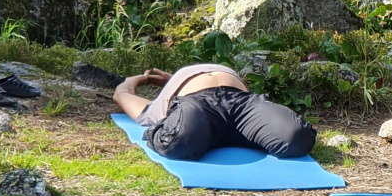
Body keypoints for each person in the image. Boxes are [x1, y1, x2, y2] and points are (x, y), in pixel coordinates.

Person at [113, 64, 316, 164]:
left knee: (297, 137)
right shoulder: (156, 108)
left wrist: (173, 78)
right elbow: (121, 95)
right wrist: (136, 80)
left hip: (242, 103)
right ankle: (171, 136)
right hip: (197, 103)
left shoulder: (180, 76)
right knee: (178, 144)